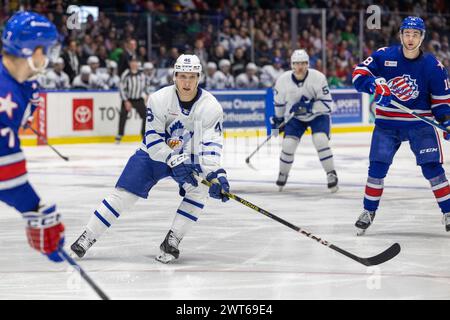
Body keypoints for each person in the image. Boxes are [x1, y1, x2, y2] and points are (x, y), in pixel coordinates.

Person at [70, 54, 230, 263]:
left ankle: (172, 240)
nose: (187, 82)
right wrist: (173, 159)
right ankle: (87, 236)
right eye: (182, 76)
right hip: (154, 154)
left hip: (189, 156)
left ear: (199, 77)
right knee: (123, 195)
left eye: (192, 77)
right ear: (174, 76)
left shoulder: (211, 106)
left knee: (200, 190)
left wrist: (216, 175)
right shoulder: (159, 99)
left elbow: (211, 146)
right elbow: (153, 140)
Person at [352, 16, 450, 234]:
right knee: (377, 168)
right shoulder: (384, 55)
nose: (411, 38)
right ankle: (368, 211)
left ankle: (448, 211)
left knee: (432, 168)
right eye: (407, 33)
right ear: (400, 35)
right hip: (387, 124)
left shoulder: (433, 66)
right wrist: (375, 87)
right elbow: (358, 76)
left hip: (419, 124)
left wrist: (446, 121)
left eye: (415, 34)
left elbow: (441, 103)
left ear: (422, 37)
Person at [0, 11, 65, 262]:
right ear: (32, 51)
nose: (47, 57)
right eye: (45, 50)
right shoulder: (7, 96)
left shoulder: (18, 86)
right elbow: (5, 173)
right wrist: (35, 212)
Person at [271, 49, 338, 192]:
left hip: (318, 115)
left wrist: (308, 107)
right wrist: (278, 121)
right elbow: (279, 104)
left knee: (320, 140)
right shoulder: (282, 80)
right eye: (296, 63)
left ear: (308, 64)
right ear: (292, 65)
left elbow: (328, 104)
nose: (300, 67)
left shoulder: (318, 77)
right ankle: (283, 173)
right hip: (295, 117)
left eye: (303, 63)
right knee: (288, 144)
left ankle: (331, 174)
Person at [116, 56, 147, 143]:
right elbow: (121, 88)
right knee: (123, 116)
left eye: (135, 62)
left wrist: (146, 95)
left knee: (146, 116)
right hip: (128, 99)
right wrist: (125, 101)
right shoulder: (126, 73)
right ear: (130, 63)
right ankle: (119, 135)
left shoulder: (141, 74)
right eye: (132, 62)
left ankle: (143, 135)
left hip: (138, 99)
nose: (134, 64)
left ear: (138, 63)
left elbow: (145, 85)